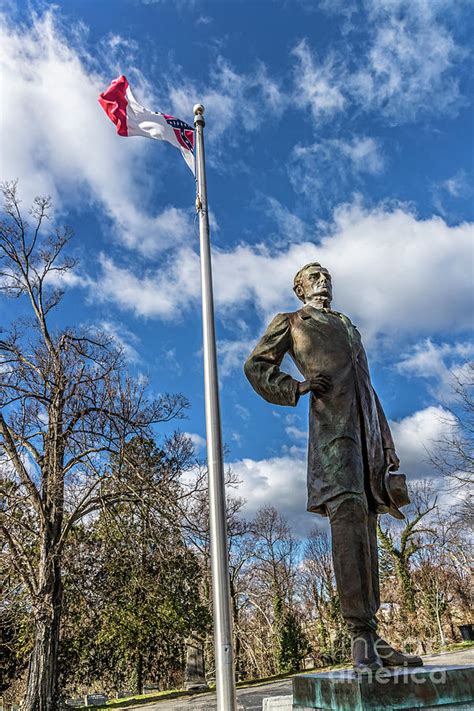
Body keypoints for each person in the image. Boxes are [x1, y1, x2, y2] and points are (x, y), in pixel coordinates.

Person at [244, 262, 422, 672]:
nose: (324, 281)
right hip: (333, 437)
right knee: (347, 520)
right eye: (315, 276)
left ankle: (373, 637)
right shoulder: (291, 321)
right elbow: (257, 366)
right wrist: (298, 386)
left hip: (367, 438)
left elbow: (367, 386)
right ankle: (360, 637)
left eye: (327, 276)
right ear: (299, 288)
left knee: (367, 526)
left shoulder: (348, 326)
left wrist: (386, 441)